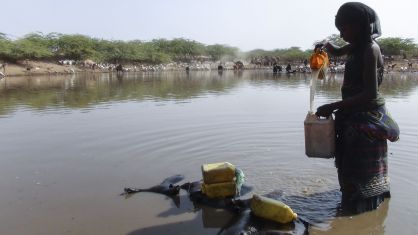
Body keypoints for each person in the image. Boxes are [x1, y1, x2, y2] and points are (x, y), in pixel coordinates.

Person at [315, 2, 400, 214]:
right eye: (339, 30)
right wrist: (325, 44)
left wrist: (333, 105)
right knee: (347, 164)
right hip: (351, 115)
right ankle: (351, 205)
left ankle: (363, 213)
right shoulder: (355, 46)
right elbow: (335, 51)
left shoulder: (370, 50)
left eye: (345, 28)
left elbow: (370, 93)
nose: (342, 34)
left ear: (360, 25)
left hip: (367, 118)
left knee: (361, 169)